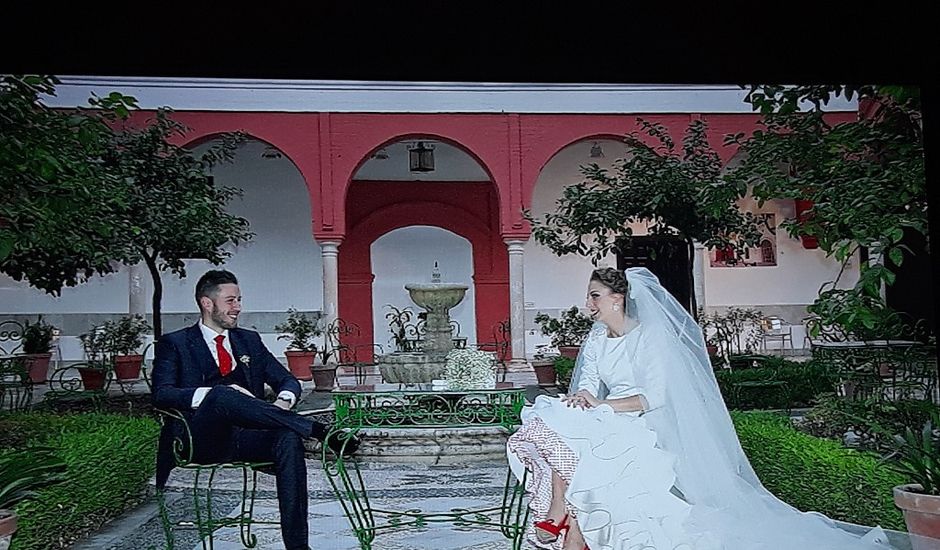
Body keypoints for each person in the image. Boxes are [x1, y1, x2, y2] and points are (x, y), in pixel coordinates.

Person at [507, 267, 894, 550]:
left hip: (641, 417)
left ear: (616, 298)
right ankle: (565, 516)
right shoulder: (597, 336)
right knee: (552, 421)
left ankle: (569, 525)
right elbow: (589, 377)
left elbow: (652, 398)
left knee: (585, 443)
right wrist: (584, 396)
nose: (588, 302)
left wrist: (603, 405)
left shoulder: (649, 340)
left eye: (594, 295)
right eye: (589, 295)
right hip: (607, 411)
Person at [151, 269, 358, 550]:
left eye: (239, 300)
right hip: (199, 437)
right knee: (222, 395)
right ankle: (318, 430)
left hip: (246, 435)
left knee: (286, 439)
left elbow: (286, 380)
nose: (238, 307)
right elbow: (162, 394)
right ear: (206, 303)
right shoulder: (175, 343)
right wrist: (212, 395)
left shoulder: (248, 340)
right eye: (230, 301)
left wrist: (283, 401)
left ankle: (298, 546)